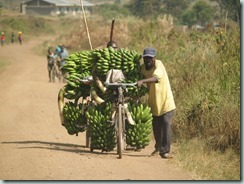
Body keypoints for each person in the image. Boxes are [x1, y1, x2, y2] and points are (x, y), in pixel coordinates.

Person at [136, 47, 176, 159]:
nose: (148, 60)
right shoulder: (143, 68)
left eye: (150, 58)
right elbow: (138, 75)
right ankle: (158, 147)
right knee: (156, 127)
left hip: (166, 101)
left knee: (166, 122)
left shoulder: (159, 65)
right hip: (154, 102)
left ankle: (165, 151)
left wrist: (142, 81)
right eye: (146, 58)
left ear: (154, 58)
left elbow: (156, 78)